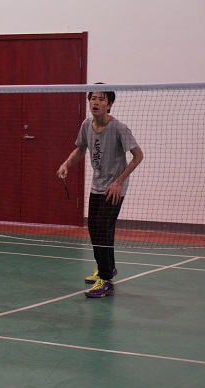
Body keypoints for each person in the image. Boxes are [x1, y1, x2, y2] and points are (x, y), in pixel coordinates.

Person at [57, 85, 144, 298]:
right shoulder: (86, 125)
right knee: (95, 230)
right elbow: (80, 148)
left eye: (101, 99)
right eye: (93, 98)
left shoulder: (119, 128)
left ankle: (106, 281)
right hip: (97, 186)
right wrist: (66, 164)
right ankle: (107, 267)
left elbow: (138, 156)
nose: (95, 102)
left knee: (103, 230)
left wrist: (118, 182)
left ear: (109, 104)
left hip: (114, 189)